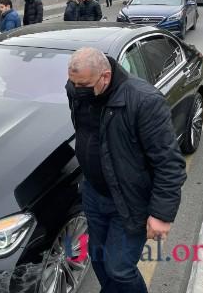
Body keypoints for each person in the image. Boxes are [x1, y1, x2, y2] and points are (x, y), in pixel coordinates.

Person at [65, 48, 186, 293]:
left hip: (130, 201)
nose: (77, 90)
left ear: (105, 76)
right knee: (98, 258)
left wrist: (161, 214)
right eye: (73, 83)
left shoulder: (144, 101)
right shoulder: (77, 90)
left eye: (84, 85)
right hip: (94, 195)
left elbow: (169, 163)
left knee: (119, 268)